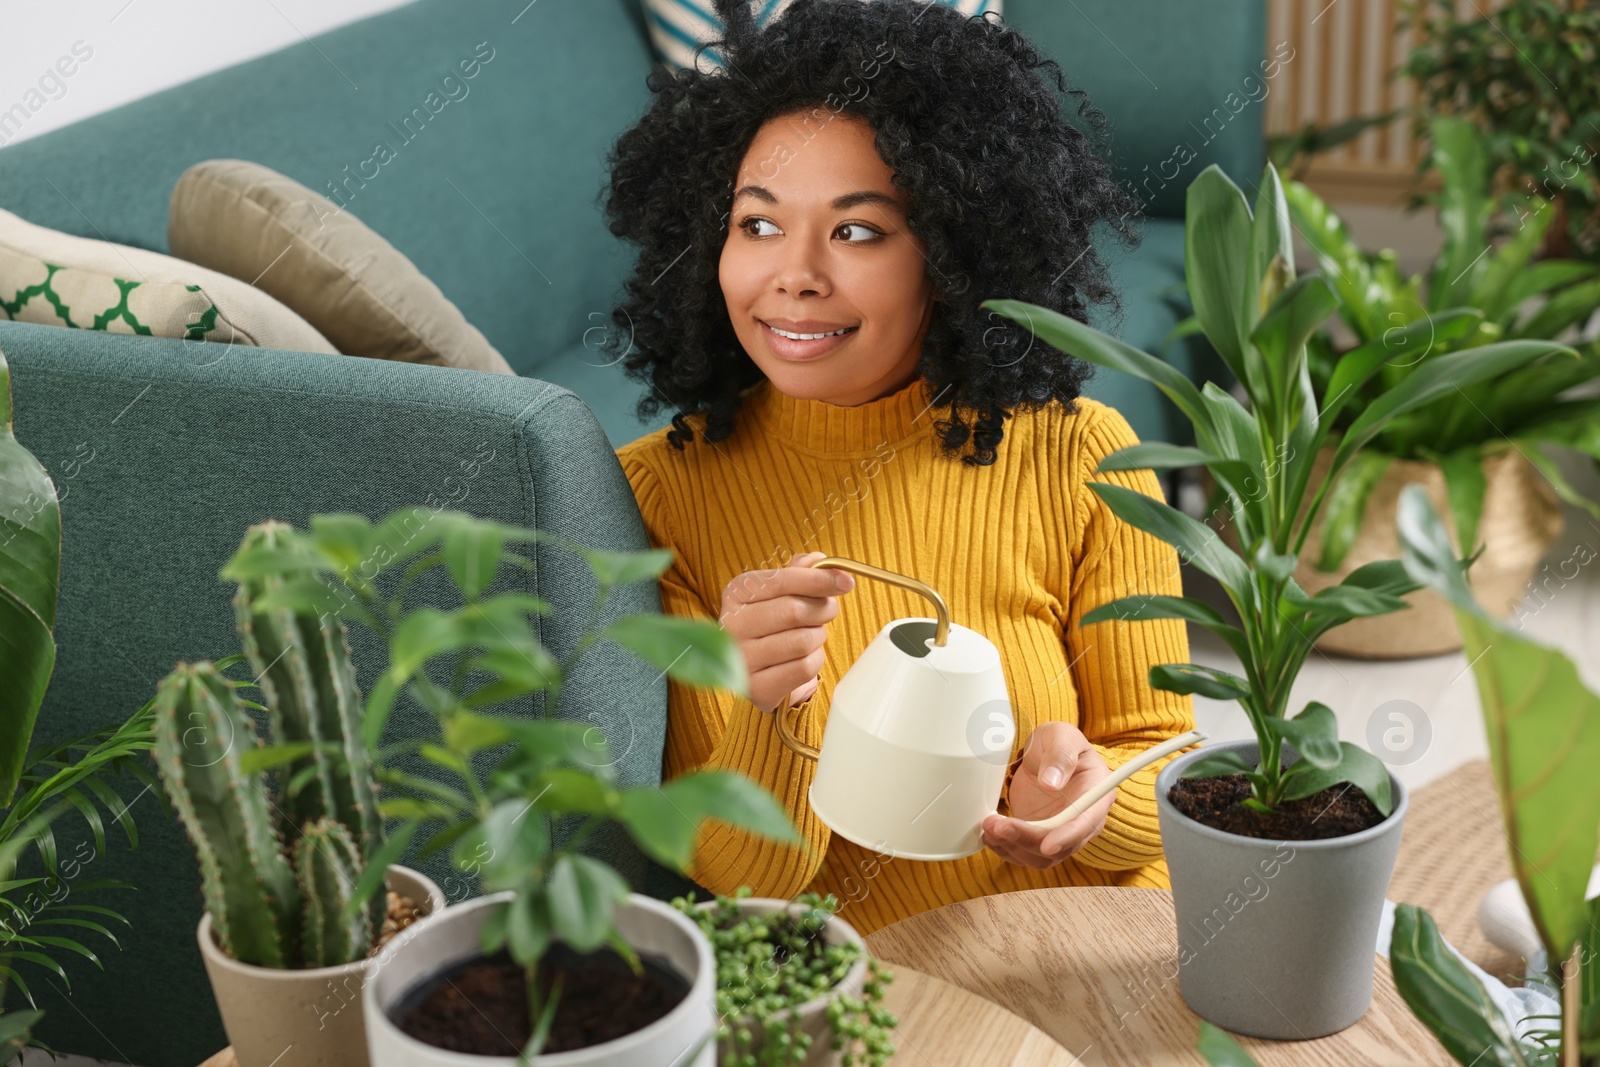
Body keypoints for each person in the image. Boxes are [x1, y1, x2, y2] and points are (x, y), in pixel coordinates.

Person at [605, 0, 1195, 937]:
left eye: (858, 231)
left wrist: (1090, 806)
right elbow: (749, 881)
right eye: (756, 225)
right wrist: (766, 709)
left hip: (1107, 948)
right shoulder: (658, 496)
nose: (793, 274)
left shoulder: (1083, 454)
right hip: (879, 998)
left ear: (954, 255)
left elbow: (1168, 756)